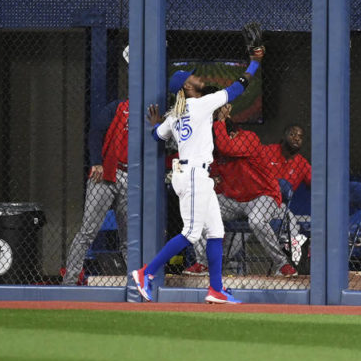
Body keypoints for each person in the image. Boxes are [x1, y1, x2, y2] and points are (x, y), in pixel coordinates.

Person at [132, 47, 265, 304]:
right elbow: (237, 88)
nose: (197, 77)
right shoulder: (200, 105)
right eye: (191, 76)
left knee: (216, 231)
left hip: (194, 174)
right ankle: (145, 272)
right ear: (187, 86)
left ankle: (215, 289)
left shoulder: (175, 114)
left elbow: (157, 136)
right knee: (192, 233)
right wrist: (254, 63)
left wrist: (157, 124)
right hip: (193, 173)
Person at [190, 101, 297, 277]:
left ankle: (282, 264)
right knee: (199, 210)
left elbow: (227, 147)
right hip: (234, 200)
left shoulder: (249, 138)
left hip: (263, 196)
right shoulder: (216, 150)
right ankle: (203, 263)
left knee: (256, 220)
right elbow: (216, 175)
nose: (215, 144)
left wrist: (220, 121)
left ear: (231, 133)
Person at [61, 98, 130, 285]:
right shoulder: (118, 106)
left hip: (131, 175)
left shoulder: (152, 112)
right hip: (106, 172)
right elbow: (96, 132)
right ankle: (70, 280)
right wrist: (97, 162)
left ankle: (135, 281)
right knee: (87, 231)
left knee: (130, 238)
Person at [261, 124, 312, 264]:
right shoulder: (267, 151)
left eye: (300, 136)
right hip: (258, 201)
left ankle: (290, 265)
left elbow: (316, 184)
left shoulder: (302, 163)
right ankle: (227, 261)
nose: (296, 138)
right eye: (293, 134)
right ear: (284, 137)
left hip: (280, 208)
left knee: (290, 223)